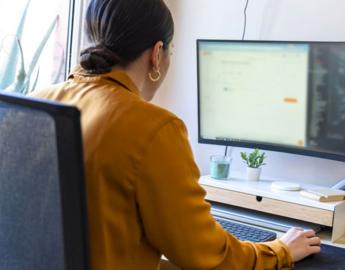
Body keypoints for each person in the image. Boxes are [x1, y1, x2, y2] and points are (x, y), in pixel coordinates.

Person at [31, 0, 321, 269]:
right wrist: (281, 249)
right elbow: (207, 256)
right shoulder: (153, 128)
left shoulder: (38, 103)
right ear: (157, 55)